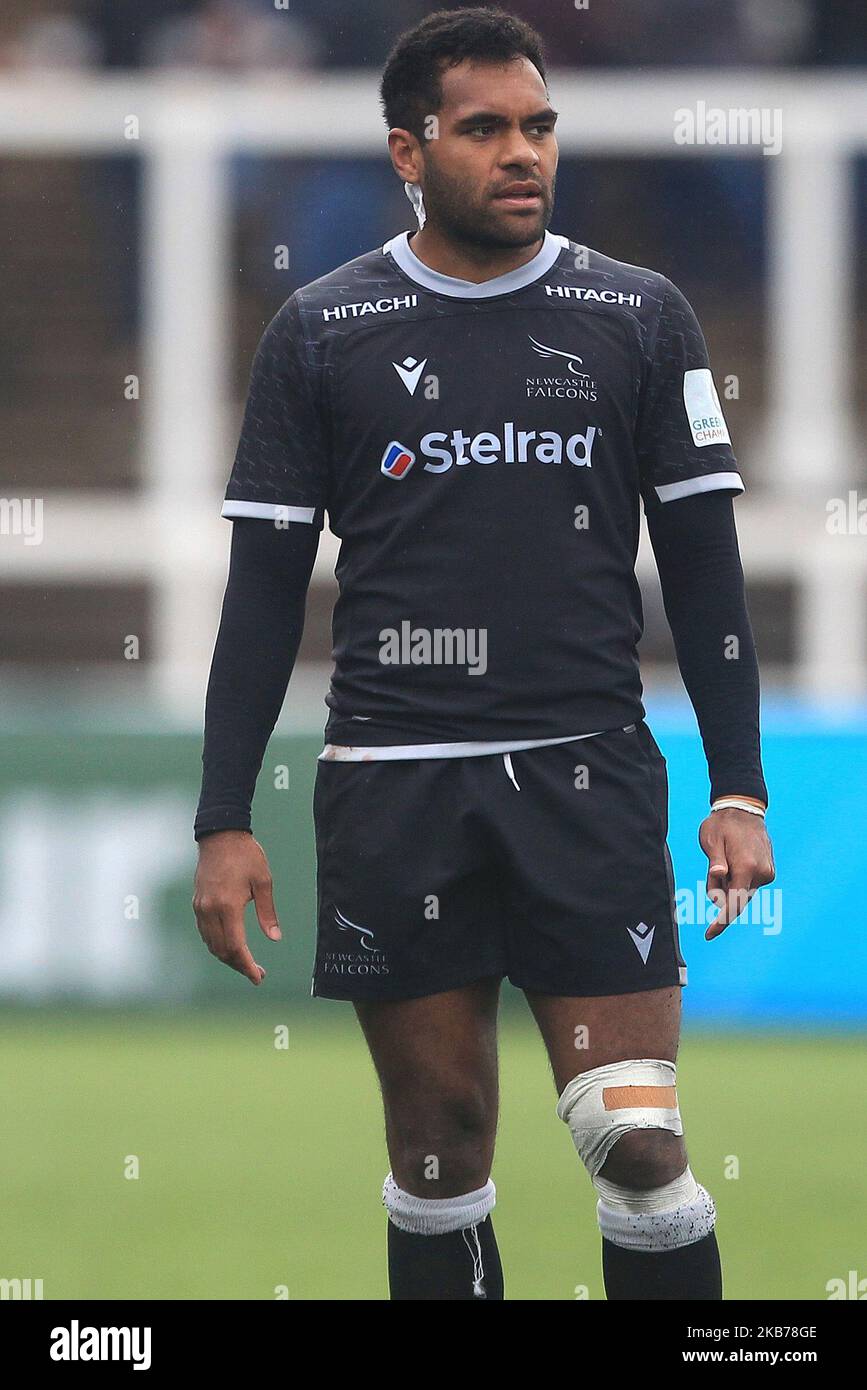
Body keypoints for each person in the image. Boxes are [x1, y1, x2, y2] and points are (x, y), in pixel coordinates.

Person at [193, 6, 775, 1301]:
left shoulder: (637, 314)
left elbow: (705, 570)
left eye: (540, 126)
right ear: (409, 151)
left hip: (587, 777)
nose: (525, 153)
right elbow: (260, 595)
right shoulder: (323, 333)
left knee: (639, 1140)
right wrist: (223, 815)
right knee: (441, 1151)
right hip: (396, 786)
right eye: (487, 129)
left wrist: (739, 784)